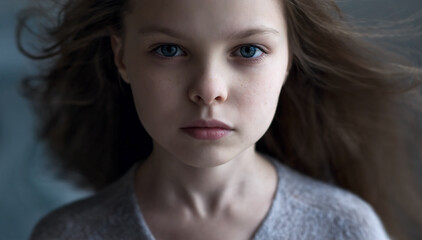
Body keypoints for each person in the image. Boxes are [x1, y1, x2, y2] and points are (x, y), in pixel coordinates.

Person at [16, 0, 422, 239]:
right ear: (122, 57)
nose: (209, 90)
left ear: (289, 61)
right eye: (169, 50)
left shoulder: (344, 229)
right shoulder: (69, 234)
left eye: (248, 51)